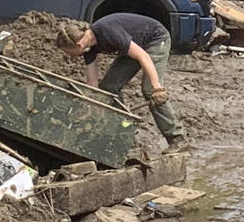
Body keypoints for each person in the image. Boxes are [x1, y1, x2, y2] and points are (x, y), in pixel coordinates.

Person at [56, 14, 189, 148]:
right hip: (133, 46)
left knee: (150, 91)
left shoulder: (107, 31)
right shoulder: (88, 48)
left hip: (155, 39)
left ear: (78, 45)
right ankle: (122, 134)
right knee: (108, 88)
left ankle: (177, 139)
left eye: (69, 53)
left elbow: (143, 56)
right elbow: (93, 84)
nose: (70, 57)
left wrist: (157, 88)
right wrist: (90, 108)